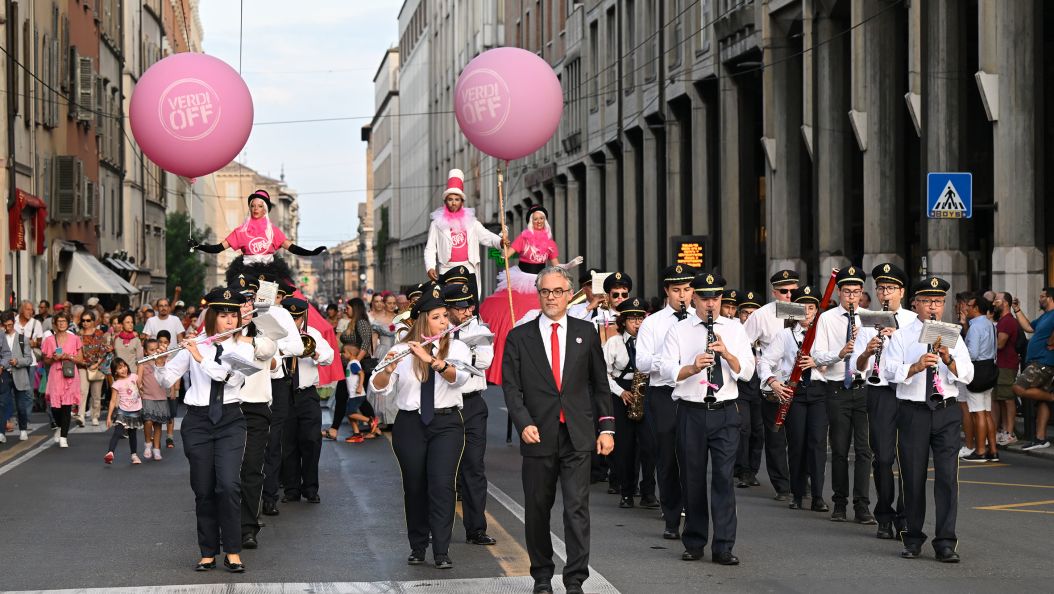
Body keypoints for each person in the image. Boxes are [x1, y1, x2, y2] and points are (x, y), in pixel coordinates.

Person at [502, 266, 613, 594]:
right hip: (538, 433)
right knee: (537, 507)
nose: (551, 297)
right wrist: (523, 423)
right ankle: (541, 576)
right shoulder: (520, 336)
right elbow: (511, 388)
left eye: (557, 292)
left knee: (577, 508)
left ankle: (575, 579)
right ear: (538, 294)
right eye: (545, 292)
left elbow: (600, 385)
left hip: (577, 434)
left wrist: (607, 430)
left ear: (569, 295)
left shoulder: (586, 332)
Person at [154, 287, 256, 573]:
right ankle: (208, 551)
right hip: (197, 421)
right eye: (223, 315)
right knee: (203, 489)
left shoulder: (243, 348)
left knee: (228, 484)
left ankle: (233, 551)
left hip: (230, 418)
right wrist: (160, 364)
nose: (230, 321)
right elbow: (166, 381)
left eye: (233, 315)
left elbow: (229, 379)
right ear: (212, 317)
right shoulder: (195, 343)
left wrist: (198, 356)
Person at [371, 286, 472, 570]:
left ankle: (441, 550)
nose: (444, 322)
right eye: (437, 317)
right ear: (423, 319)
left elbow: (459, 378)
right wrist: (388, 370)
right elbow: (378, 388)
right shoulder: (401, 349)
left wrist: (434, 362)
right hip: (411, 424)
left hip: (447, 423)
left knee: (442, 486)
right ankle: (418, 546)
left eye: (445, 317)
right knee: (415, 487)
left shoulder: (458, 347)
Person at [660, 272, 753, 565]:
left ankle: (723, 545)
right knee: (693, 478)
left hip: (725, 411)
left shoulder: (735, 329)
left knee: (724, 479)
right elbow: (666, 371)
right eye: (704, 298)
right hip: (692, 412)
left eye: (716, 297)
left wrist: (726, 354)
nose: (710, 303)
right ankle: (695, 541)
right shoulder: (679, 330)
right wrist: (692, 367)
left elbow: (747, 372)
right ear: (693, 298)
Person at [881, 276, 974, 562]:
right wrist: (917, 366)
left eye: (938, 301)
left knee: (947, 478)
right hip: (913, 411)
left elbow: (968, 375)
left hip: (945, 411)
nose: (933, 307)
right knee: (913, 476)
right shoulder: (902, 335)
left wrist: (949, 360)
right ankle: (912, 537)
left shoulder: (952, 335)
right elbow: (888, 371)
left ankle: (945, 542)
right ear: (916, 304)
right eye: (927, 301)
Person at [479, 204, 582, 386]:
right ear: (530, 221)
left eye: (541, 218)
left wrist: (570, 264)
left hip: (541, 278)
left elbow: (557, 266)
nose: (539, 221)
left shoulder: (550, 243)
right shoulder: (523, 238)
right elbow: (504, 256)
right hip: (521, 278)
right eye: (535, 219)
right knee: (507, 310)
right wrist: (501, 240)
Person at [852, 263, 917, 539]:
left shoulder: (914, 321)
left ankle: (904, 515)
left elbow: (918, 359)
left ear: (902, 291)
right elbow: (858, 365)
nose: (885, 294)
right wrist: (868, 350)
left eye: (890, 288)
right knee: (883, 457)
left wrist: (897, 339)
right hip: (879, 392)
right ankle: (884, 514)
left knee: (908, 459)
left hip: (907, 390)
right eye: (881, 288)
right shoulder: (868, 320)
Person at [635, 264, 696, 540]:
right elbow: (642, 362)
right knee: (668, 458)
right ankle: (671, 518)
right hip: (663, 394)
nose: (682, 296)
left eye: (686, 289)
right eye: (676, 290)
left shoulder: (699, 319)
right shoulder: (653, 322)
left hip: (693, 393)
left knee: (693, 458)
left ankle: (694, 515)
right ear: (666, 291)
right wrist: (670, 362)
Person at [811, 265, 874, 524]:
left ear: (861, 293)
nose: (851, 297)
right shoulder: (827, 318)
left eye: (856, 292)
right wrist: (840, 353)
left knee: (864, 450)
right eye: (847, 291)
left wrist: (867, 350)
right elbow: (817, 354)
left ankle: (862, 505)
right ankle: (839, 502)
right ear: (839, 292)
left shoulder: (869, 317)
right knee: (838, 449)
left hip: (863, 387)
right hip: (837, 387)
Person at [761, 286, 829, 513]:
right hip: (795, 393)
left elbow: (837, 360)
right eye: (803, 308)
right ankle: (797, 493)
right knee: (797, 444)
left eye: (812, 308)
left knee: (817, 444)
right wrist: (773, 382)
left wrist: (818, 363)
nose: (807, 312)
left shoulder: (823, 333)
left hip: (819, 391)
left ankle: (818, 495)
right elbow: (765, 361)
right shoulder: (785, 335)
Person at [442, 281, 498, 546]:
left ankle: (476, 529)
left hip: (473, 404)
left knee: (474, 467)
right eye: (461, 307)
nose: (467, 312)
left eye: (470, 306)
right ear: (449, 308)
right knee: (444, 470)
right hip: (447, 404)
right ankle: (438, 529)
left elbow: (484, 362)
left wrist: (452, 358)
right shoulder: (438, 329)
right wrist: (465, 354)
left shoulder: (480, 329)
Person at [743, 271, 798, 501]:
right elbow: (743, 344)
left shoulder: (804, 311)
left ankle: (799, 483)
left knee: (798, 438)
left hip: (800, 385)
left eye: (792, 291)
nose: (788, 296)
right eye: (783, 291)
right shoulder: (761, 315)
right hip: (773, 385)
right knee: (775, 438)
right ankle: (782, 486)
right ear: (774, 292)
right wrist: (756, 364)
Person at [232, 295, 280, 550]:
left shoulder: (264, 333)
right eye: (240, 309)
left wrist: (238, 338)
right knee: (227, 473)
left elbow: (268, 352)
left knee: (251, 468)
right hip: (226, 408)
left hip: (255, 409)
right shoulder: (217, 335)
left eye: (249, 308)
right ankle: (227, 524)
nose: (245, 313)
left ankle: (248, 527)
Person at [603, 297, 658, 509]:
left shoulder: (651, 342)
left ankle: (648, 493)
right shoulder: (614, 343)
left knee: (650, 446)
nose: (637, 323)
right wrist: (621, 392)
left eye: (640, 318)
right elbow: (602, 373)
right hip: (622, 394)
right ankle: (626, 492)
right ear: (623, 321)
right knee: (625, 447)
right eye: (632, 319)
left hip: (647, 392)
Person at [279, 297, 334, 505]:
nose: (295, 323)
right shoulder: (277, 336)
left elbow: (329, 356)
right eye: (290, 318)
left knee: (311, 441)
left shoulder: (313, 334)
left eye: (298, 318)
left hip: (307, 394)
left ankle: (311, 488)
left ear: (303, 317)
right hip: (283, 393)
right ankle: (291, 489)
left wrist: (314, 352)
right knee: (288, 443)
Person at [424, 169, 505, 299]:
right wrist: (430, 267)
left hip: (469, 269)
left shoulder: (471, 222)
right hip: (447, 270)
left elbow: (486, 236)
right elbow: (430, 248)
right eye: (450, 199)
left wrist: (500, 242)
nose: (453, 202)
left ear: (462, 202)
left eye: (457, 199)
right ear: (446, 202)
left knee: (471, 305)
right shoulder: (436, 224)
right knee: (449, 305)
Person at [191, 189, 326, 262]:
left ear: (265, 209)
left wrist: (312, 253)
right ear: (249, 208)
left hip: (268, 272)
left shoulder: (273, 231)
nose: (256, 209)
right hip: (247, 272)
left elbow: (293, 248)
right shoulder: (241, 231)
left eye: (260, 206)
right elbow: (218, 248)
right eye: (253, 206)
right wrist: (198, 246)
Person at [325, 297, 375, 441]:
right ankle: (335, 429)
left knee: (357, 398)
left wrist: (355, 363)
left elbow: (365, 344)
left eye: (348, 307)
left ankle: (372, 425)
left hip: (356, 368)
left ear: (355, 308)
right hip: (348, 366)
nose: (345, 310)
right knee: (345, 397)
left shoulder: (362, 323)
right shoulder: (351, 323)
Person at [1010, 288, 1054, 449]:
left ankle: (1052, 397)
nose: (1039, 299)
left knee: (1018, 387)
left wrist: (1052, 341)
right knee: (1042, 400)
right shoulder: (1045, 317)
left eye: (1042, 296)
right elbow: (1028, 327)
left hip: (1043, 362)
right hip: (1039, 361)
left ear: (1049, 298)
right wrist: (1017, 310)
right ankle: (1040, 438)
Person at [732, 290, 764, 489]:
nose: (748, 317)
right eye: (745, 313)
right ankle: (743, 471)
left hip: (760, 384)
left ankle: (753, 469)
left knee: (758, 431)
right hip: (741, 385)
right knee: (744, 428)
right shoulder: (735, 333)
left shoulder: (764, 334)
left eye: (753, 314)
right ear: (739, 314)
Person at [961, 293, 998, 462]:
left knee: (978, 413)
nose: (966, 308)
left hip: (977, 369)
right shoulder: (990, 324)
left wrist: (959, 357)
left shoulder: (975, 326)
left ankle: (981, 450)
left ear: (976, 308)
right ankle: (993, 449)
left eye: (969, 306)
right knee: (987, 411)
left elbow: (973, 353)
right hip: (989, 367)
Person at [41, 312, 81, 448]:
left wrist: (68, 356)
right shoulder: (49, 340)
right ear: (55, 324)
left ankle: (64, 436)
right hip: (55, 375)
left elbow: (80, 359)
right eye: (59, 321)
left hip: (69, 374)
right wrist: (53, 358)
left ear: (68, 322)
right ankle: (59, 425)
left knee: (67, 406)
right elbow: (45, 360)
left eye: (64, 321)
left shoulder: (75, 338)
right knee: (55, 407)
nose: (61, 324)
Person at [0, 311, 35, 442]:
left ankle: (23, 429)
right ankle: (1, 432)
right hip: (4, 374)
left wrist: (17, 361)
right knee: (2, 404)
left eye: (9, 325)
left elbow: (29, 360)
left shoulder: (22, 338)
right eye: (5, 325)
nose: (7, 328)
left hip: (19, 374)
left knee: (21, 405)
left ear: (13, 323)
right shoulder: (1, 336)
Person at [990, 292, 1019, 445]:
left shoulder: (1007, 321)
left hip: (1007, 365)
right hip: (999, 364)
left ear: (1005, 303)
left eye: (997, 300)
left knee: (1007, 399)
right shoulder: (1001, 320)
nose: (994, 302)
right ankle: (1001, 430)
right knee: (999, 398)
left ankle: (1009, 432)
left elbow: (1000, 344)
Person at [103, 358, 144, 465]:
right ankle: (110, 453)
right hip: (123, 411)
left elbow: (141, 387)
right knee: (117, 432)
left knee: (132, 434)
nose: (123, 369)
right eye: (120, 368)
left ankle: (134, 455)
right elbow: (112, 401)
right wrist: (109, 417)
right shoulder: (117, 383)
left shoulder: (134, 376)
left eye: (124, 366)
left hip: (135, 411)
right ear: (115, 371)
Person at [75, 312, 111, 427]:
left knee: (96, 394)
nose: (85, 323)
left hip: (97, 366)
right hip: (82, 366)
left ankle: (95, 416)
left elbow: (104, 350)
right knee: (82, 391)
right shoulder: (78, 334)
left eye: (88, 320)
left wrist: (97, 364)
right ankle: (80, 415)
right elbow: (76, 350)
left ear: (93, 321)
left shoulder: (99, 333)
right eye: (83, 320)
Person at [138, 339, 171, 461]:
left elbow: (170, 376)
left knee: (158, 424)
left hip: (161, 397)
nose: (154, 352)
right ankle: (148, 444)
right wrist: (139, 389)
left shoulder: (163, 362)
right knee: (148, 421)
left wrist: (173, 390)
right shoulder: (143, 363)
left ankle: (157, 449)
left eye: (156, 349)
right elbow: (138, 380)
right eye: (151, 350)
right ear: (146, 352)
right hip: (147, 396)